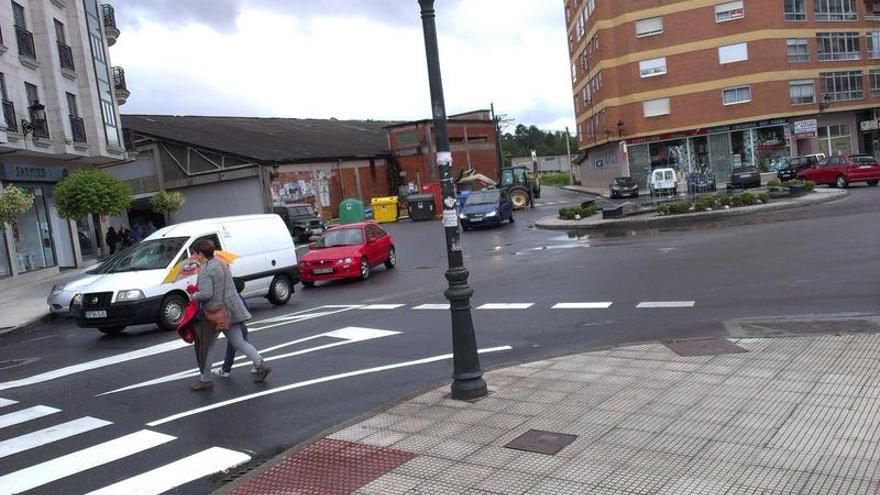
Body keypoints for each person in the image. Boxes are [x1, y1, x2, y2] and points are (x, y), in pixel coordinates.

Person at [187, 239, 271, 391]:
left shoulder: (205, 270)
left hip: (215, 314)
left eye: (195, 253)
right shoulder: (221, 264)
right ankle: (261, 364)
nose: (194, 256)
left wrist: (194, 294)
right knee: (239, 341)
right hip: (232, 309)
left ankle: (205, 380)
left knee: (208, 345)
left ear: (200, 254)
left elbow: (207, 294)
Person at [213, 279, 255, 378]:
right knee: (245, 345)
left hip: (235, 325)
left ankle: (226, 370)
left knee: (241, 346)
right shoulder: (237, 297)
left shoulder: (232, 298)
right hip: (242, 324)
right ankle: (258, 364)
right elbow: (246, 307)